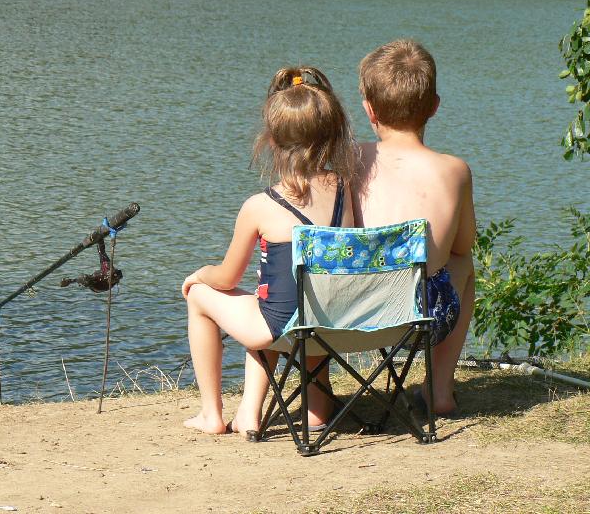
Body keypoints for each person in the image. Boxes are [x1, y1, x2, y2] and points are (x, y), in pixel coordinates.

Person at [181, 67, 357, 435]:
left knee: (202, 297)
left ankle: (211, 414)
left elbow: (227, 277)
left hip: (281, 327)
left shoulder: (260, 205)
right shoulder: (343, 189)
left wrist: (200, 274)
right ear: (329, 135)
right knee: (285, 297)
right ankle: (302, 409)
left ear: (272, 141)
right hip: (333, 320)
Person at [352, 39, 476, 416]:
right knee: (464, 265)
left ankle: (319, 395)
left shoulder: (348, 159)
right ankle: (440, 389)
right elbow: (464, 243)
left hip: (343, 313)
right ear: (435, 107)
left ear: (369, 110)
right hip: (418, 316)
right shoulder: (454, 170)